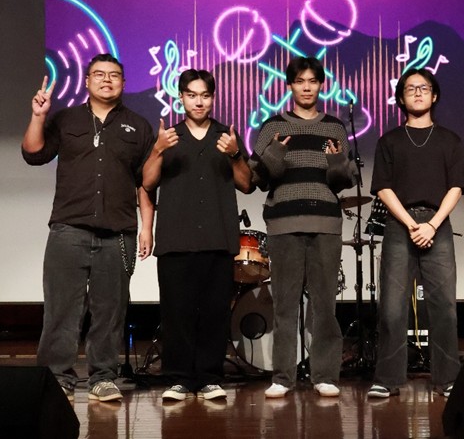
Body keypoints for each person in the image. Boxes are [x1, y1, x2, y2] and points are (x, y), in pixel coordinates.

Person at [21, 53, 155, 402]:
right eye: (99, 74)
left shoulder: (138, 126)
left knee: (110, 312)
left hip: (119, 233)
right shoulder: (66, 119)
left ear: (123, 83)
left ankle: (103, 378)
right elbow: (33, 153)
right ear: (86, 81)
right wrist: (38, 116)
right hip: (69, 230)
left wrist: (147, 228)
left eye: (114, 75)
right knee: (61, 310)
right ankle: (57, 378)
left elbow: (145, 183)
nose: (106, 80)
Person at [142, 69, 254, 402]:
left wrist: (234, 153)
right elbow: (147, 182)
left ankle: (209, 377)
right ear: (181, 97)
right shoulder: (169, 136)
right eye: (191, 95)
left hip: (218, 237)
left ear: (213, 98)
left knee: (215, 312)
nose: (199, 101)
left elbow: (246, 183)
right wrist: (158, 150)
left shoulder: (226, 135)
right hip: (176, 238)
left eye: (205, 95)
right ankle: (178, 378)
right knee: (176, 312)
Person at [251, 55, 358, 398]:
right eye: (300, 81)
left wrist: (337, 162)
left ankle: (325, 375)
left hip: (325, 222)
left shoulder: (335, 127)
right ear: (290, 86)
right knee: (285, 303)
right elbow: (256, 178)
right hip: (283, 222)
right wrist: (274, 155)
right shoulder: (273, 126)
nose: (307, 87)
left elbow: (343, 181)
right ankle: (283, 377)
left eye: (313, 81)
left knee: (325, 304)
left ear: (321, 85)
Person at [366, 68, 464, 399]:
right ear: (400, 98)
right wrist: (411, 224)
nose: (417, 92)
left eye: (423, 87)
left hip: (436, 224)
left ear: (434, 95)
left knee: (444, 306)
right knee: (392, 307)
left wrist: (432, 224)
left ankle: (447, 378)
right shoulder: (389, 141)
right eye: (410, 88)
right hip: (400, 226)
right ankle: (388, 379)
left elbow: (456, 186)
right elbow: (382, 188)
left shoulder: (449, 140)